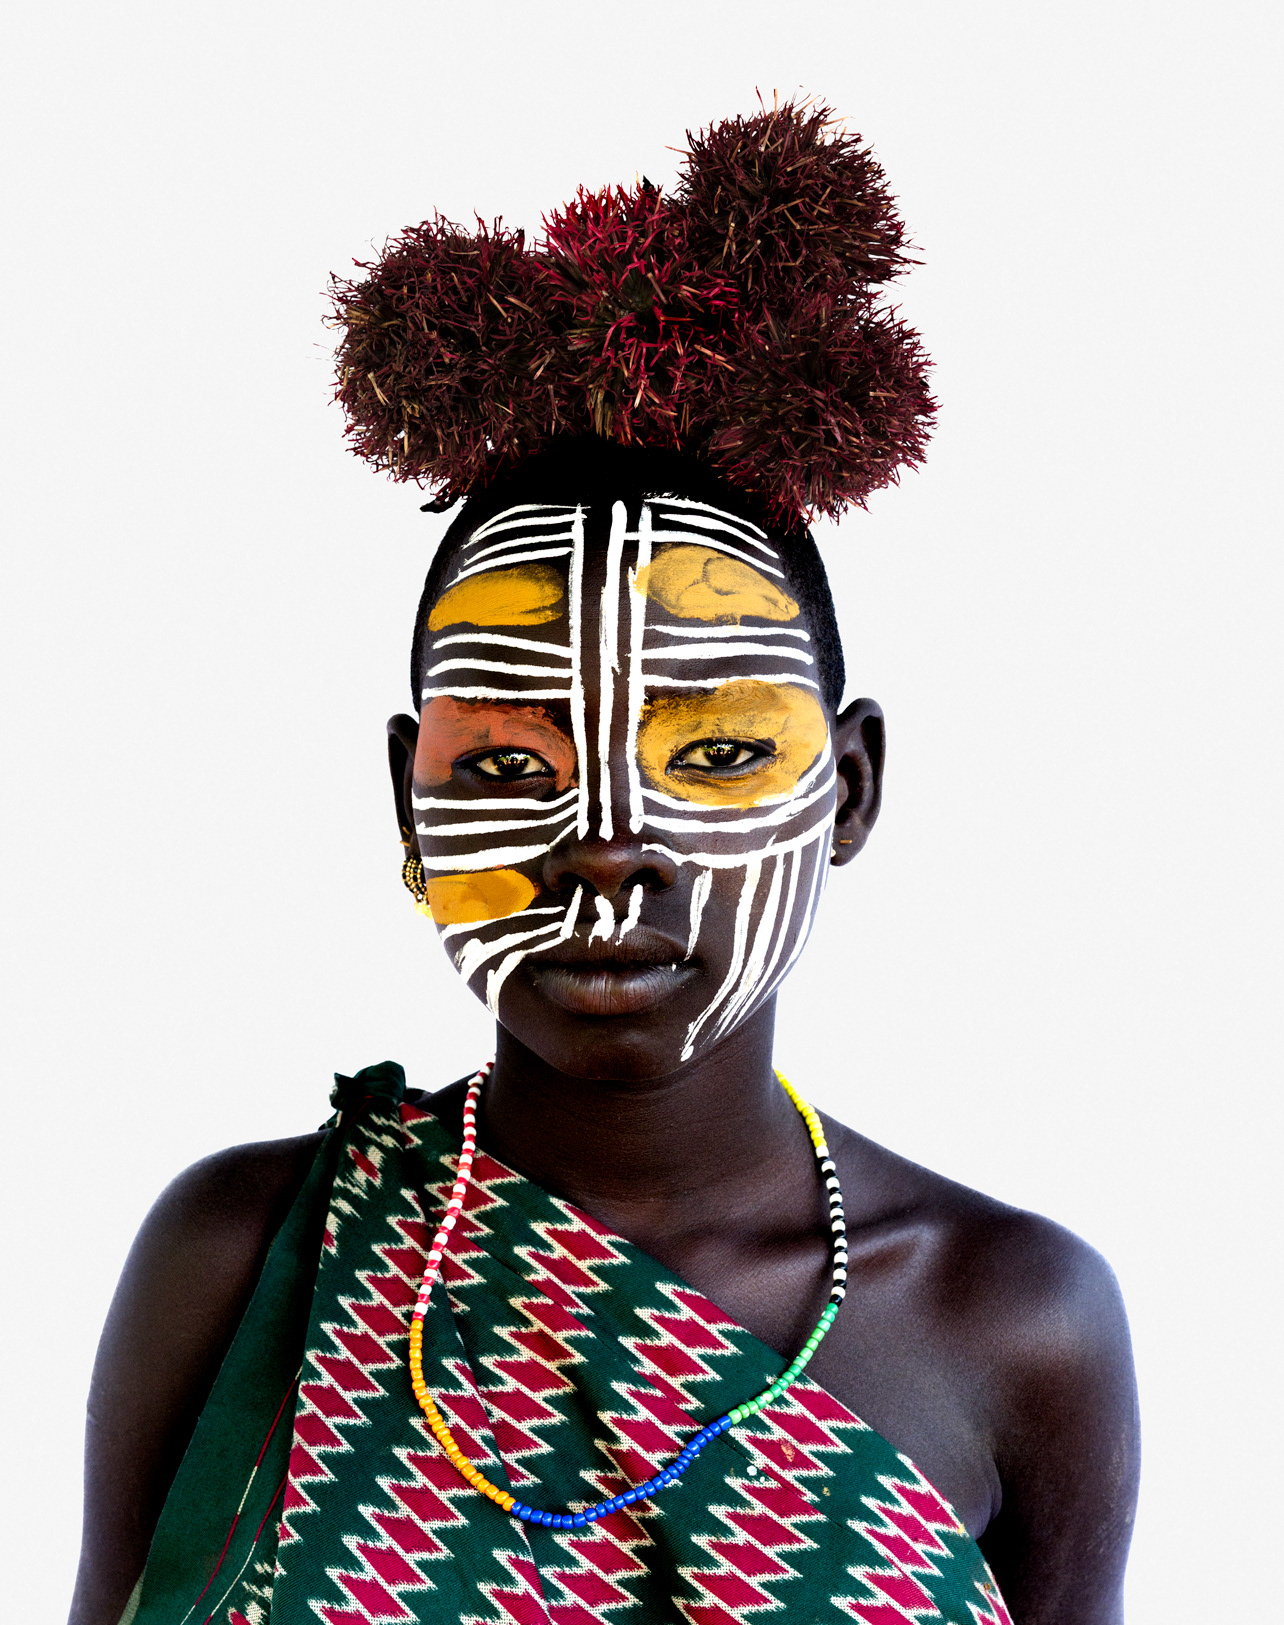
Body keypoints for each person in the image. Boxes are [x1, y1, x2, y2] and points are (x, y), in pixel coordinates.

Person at [70, 104, 1139, 1625]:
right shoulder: (251, 1254)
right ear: (405, 798)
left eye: (711, 755)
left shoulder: (1010, 1319)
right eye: (508, 765)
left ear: (849, 787)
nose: (607, 844)